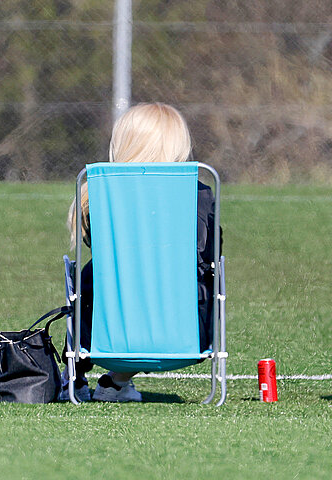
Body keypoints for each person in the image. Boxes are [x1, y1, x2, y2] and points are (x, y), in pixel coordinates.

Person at [64, 102, 219, 403]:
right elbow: (209, 255)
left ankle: (76, 376)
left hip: (106, 330)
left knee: (97, 273)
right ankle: (116, 383)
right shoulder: (199, 194)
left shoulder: (98, 194)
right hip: (186, 331)